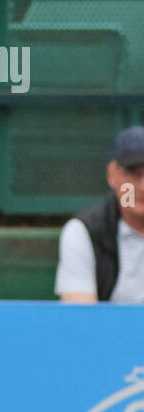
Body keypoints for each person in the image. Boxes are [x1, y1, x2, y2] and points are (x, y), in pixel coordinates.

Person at [56, 127, 144, 303]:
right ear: (113, 174)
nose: (143, 187)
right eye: (134, 174)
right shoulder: (83, 231)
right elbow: (80, 319)